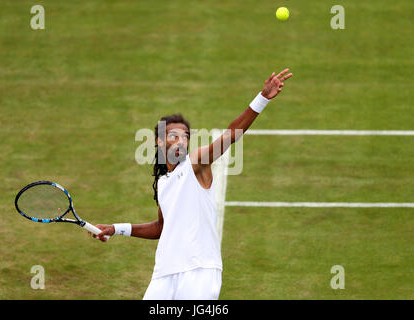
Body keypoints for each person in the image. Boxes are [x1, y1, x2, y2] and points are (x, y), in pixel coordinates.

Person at [90, 69, 293, 299]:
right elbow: (160, 228)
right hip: (164, 274)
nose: (181, 140)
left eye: (185, 136)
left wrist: (262, 98)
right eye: (173, 135)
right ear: (158, 141)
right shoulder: (164, 183)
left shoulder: (196, 164)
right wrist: (117, 229)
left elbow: (230, 136)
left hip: (199, 271)